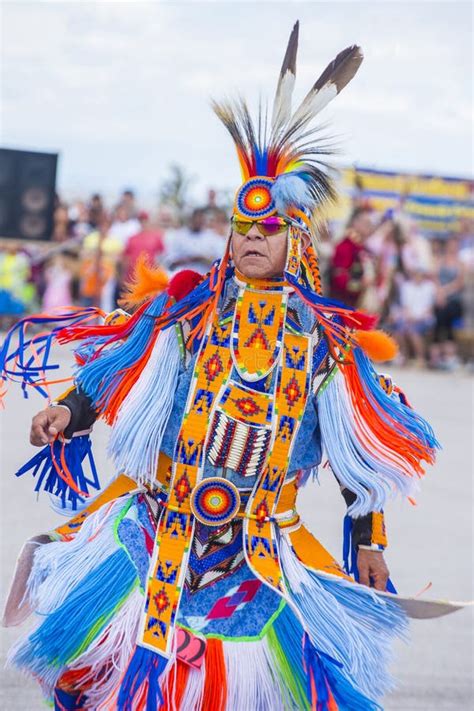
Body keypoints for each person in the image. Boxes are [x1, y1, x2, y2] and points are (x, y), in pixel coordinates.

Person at [0, 22, 450, 711]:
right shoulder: (186, 314)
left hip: (263, 546)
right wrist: (71, 409)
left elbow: (363, 461)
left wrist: (368, 538)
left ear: (296, 241)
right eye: (241, 227)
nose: (249, 238)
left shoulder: (324, 347)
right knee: (101, 679)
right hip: (164, 523)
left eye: (266, 229)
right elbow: (119, 366)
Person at [329, 205, 376, 308]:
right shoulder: (345, 246)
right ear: (355, 223)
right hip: (342, 306)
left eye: (370, 224)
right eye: (366, 223)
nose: (370, 227)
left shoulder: (363, 248)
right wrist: (360, 285)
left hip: (357, 304)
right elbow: (339, 279)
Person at [430, 236, 466, 369]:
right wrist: (440, 293)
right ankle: (442, 354)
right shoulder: (440, 260)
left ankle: (442, 352)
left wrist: (444, 292)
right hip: (440, 298)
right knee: (440, 314)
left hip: (453, 299)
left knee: (446, 313)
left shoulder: (460, 263)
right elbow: (435, 278)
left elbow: (459, 283)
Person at [162, 207, 225, 274]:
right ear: (190, 219)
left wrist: (202, 258)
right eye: (196, 218)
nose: (198, 221)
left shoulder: (212, 237)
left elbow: (219, 263)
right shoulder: (179, 236)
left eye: (200, 219)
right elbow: (170, 262)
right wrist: (188, 259)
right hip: (183, 277)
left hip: (205, 278)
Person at [122, 211, 165, 285]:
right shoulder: (131, 238)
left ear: (149, 221)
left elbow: (163, 256)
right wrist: (123, 277)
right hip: (133, 278)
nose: (143, 223)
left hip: (150, 277)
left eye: (145, 220)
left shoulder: (156, 237)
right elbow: (125, 258)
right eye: (141, 220)